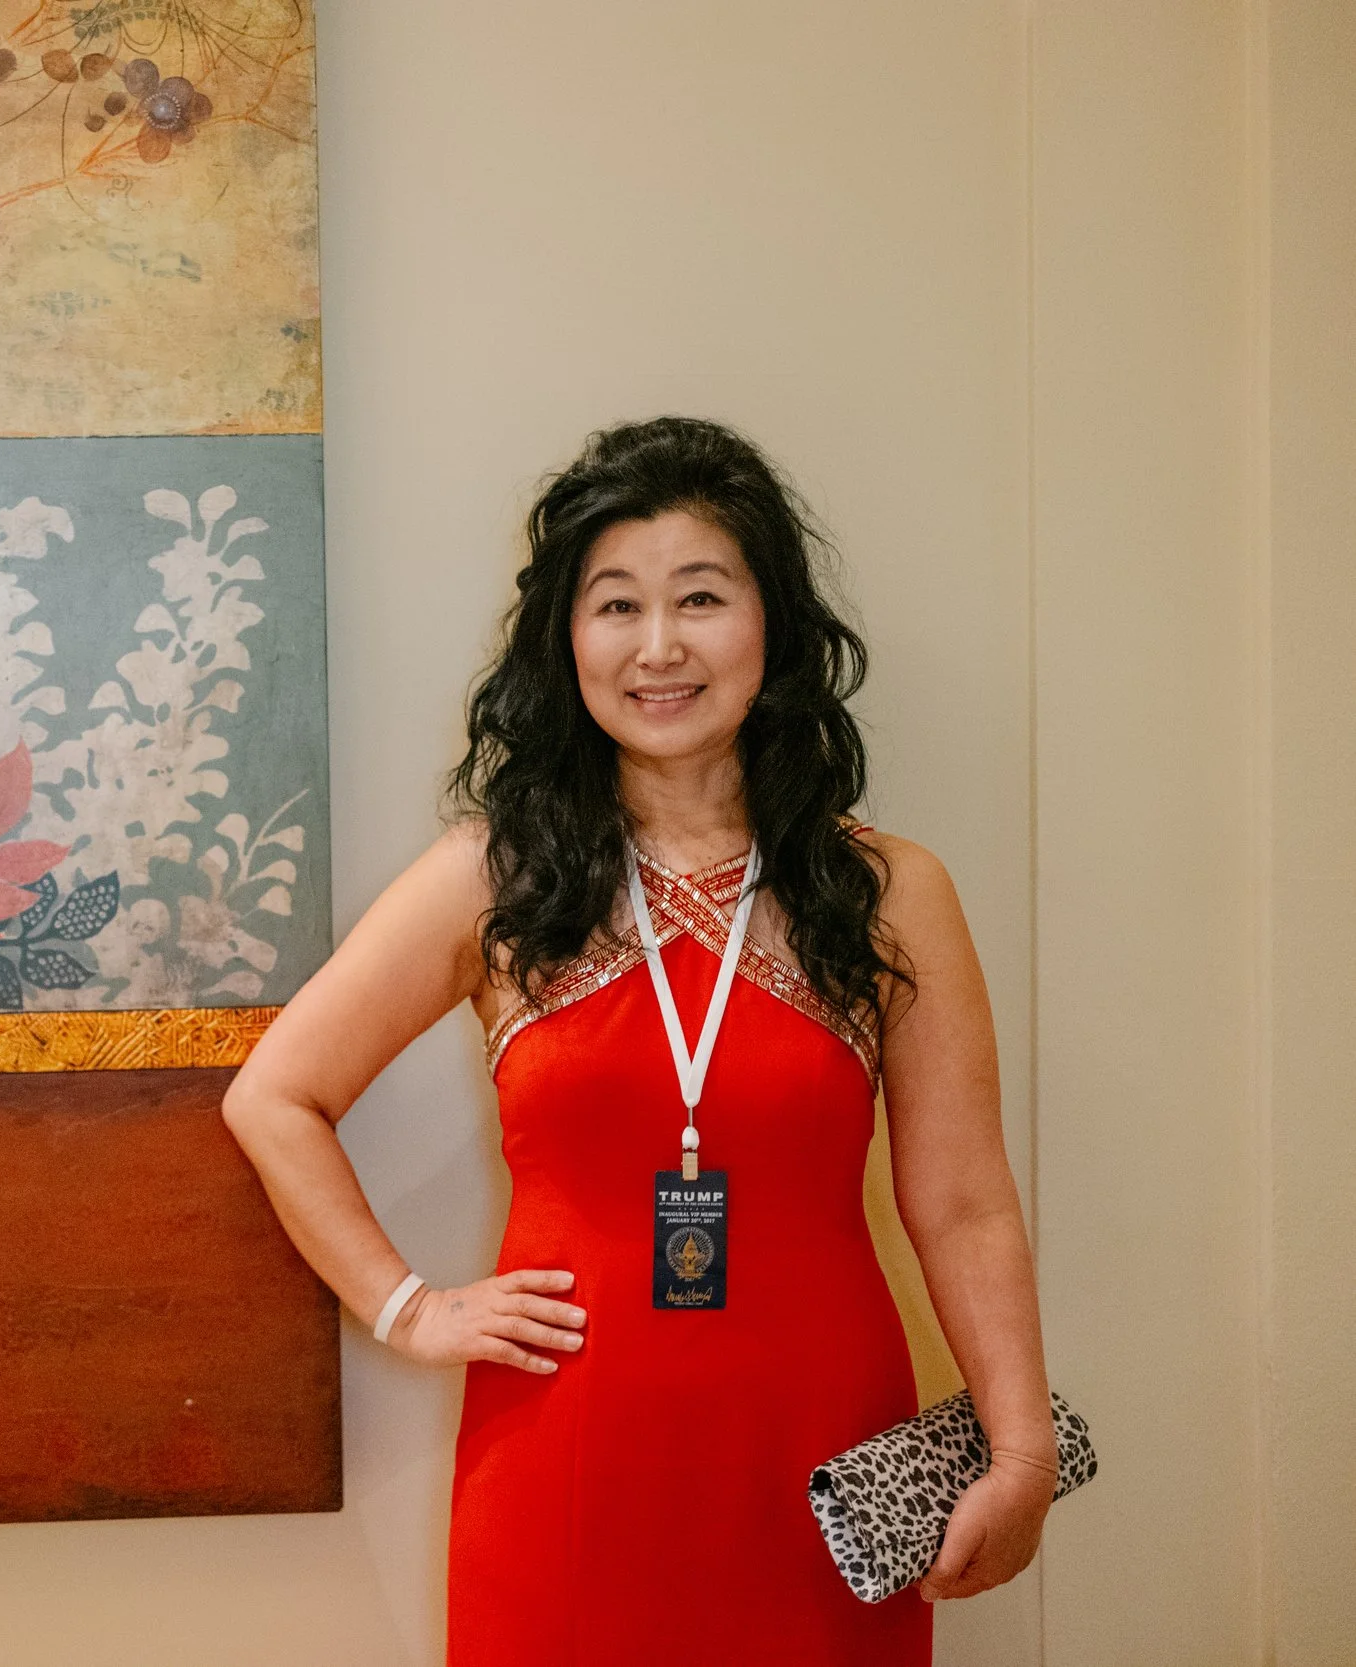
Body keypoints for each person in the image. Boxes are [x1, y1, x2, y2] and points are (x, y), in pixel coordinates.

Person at [222, 418, 1056, 1665]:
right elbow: (275, 1095)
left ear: (771, 623)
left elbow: (964, 1202)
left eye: (700, 597)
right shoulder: (492, 877)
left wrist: (1022, 1448)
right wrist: (406, 1306)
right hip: (560, 1457)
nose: (658, 645)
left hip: (818, 1453)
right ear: (566, 638)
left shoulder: (889, 891)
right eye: (616, 604)